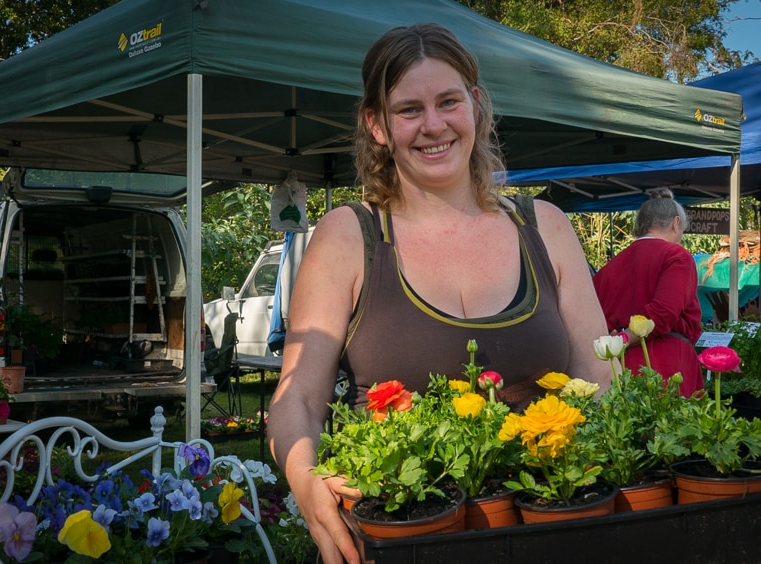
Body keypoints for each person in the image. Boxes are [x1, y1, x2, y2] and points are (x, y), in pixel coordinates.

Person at [267, 23, 612, 564]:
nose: (433, 126)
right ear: (377, 125)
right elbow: (298, 399)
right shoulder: (349, 235)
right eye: (408, 110)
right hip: (392, 535)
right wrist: (305, 478)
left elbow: (602, 384)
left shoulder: (545, 228)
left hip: (545, 530)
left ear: (475, 105)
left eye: (449, 101)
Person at [592, 188, 704, 396]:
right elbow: (663, 313)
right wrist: (625, 339)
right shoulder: (676, 256)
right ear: (675, 223)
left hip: (617, 367)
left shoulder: (610, 267)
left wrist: (617, 342)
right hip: (666, 362)